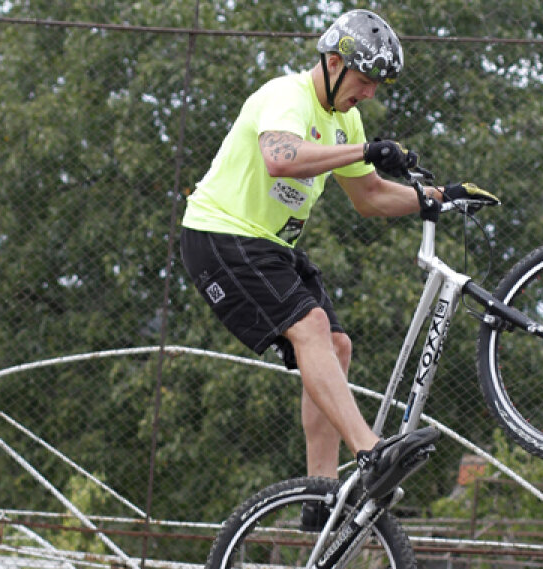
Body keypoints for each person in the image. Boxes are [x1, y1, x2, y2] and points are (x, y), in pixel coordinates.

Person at [180, 10, 492, 522]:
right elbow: (280, 157)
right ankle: (369, 450)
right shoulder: (287, 96)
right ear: (332, 63)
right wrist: (367, 148)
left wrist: (439, 197)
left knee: (336, 344)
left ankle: (319, 496)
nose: (368, 93)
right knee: (313, 326)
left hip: (268, 247)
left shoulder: (344, 119)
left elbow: (368, 196)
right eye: (364, 80)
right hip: (220, 234)